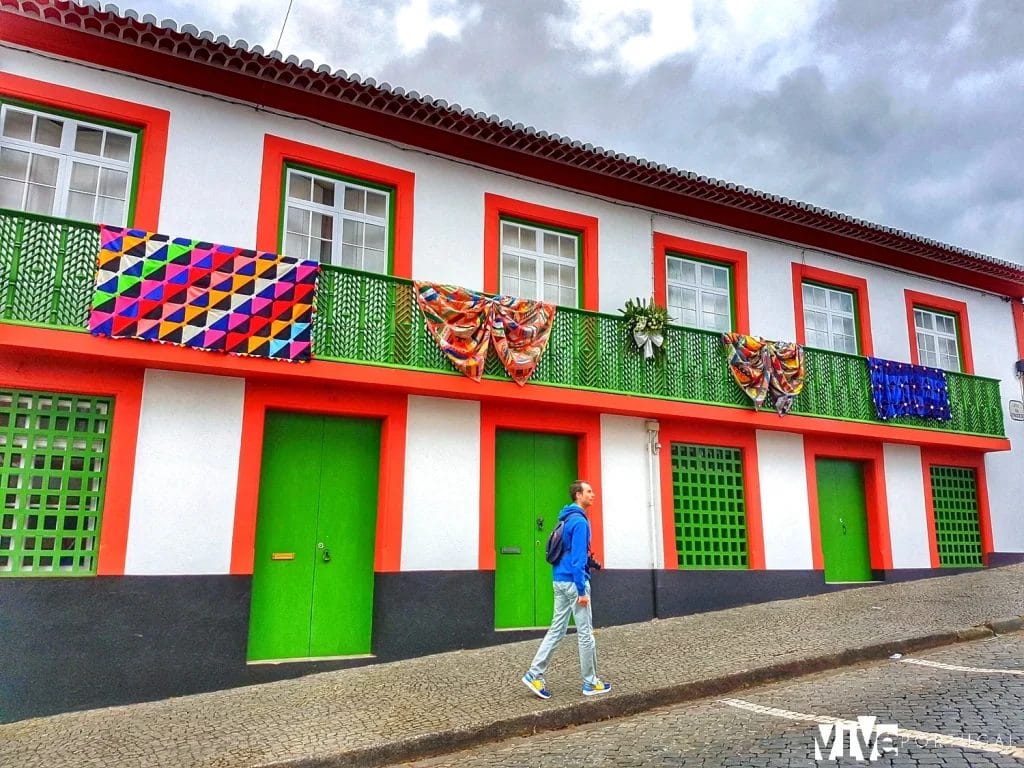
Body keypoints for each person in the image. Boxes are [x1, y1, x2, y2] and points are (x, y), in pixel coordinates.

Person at [521, 479, 612, 699]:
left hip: (559, 581)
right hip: (574, 583)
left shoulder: (565, 518)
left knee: (557, 630)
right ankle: (590, 683)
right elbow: (578, 559)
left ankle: (534, 674)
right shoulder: (580, 522)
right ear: (578, 495)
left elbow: (568, 553)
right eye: (588, 491)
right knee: (585, 634)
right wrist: (582, 591)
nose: (593, 494)